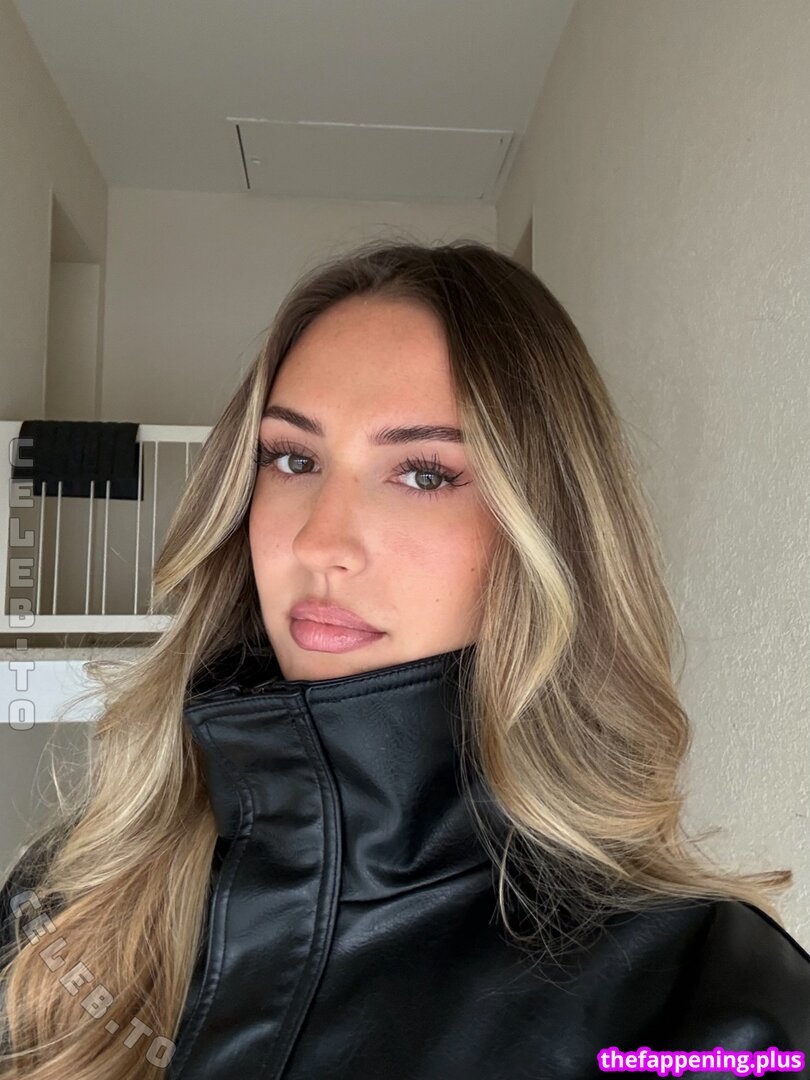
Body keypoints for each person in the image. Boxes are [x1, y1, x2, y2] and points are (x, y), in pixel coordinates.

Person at [0, 238, 808, 1079]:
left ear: (545, 531)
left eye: (422, 474)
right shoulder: (68, 899)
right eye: (294, 459)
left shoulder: (710, 1018)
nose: (319, 541)